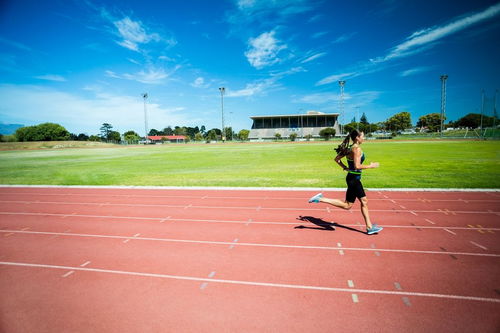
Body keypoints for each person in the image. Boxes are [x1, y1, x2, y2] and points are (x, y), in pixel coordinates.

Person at [308, 130, 383, 235]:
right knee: (363, 201)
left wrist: (345, 168)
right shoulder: (356, 149)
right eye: (363, 136)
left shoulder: (349, 149)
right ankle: (369, 227)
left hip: (352, 178)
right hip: (354, 179)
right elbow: (357, 166)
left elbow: (337, 159)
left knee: (348, 205)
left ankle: (320, 199)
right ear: (357, 137)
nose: (364, 138)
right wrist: (370, 166)